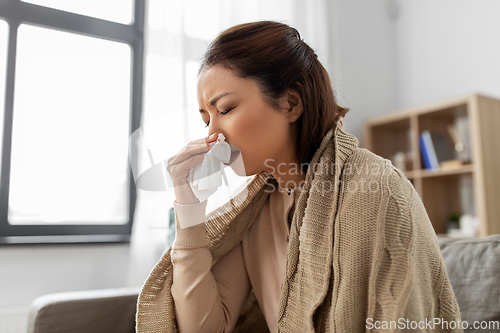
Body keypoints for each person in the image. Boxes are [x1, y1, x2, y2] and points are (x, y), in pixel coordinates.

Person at [136, 21, 462, 333]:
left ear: (291, 103)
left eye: (225, 110)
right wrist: (188, 207)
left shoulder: (377, 188)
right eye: (206, 120)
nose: (212, 135)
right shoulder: (253, 212)